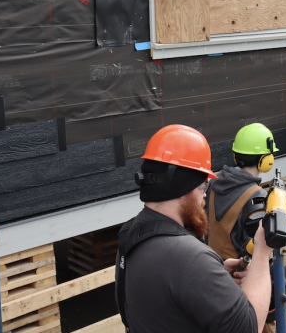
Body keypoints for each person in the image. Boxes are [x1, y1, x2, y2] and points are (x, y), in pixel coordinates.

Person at [116, 124, 272, 333]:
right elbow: (249, 328)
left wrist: (213, 277)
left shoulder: (130, 233)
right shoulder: (191, 259)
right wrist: (262, 251)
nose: (204, 195)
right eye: (203, 186)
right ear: (182, 187)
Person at [205, 124, 286, 331]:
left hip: (214, 274)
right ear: (264, 159)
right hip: (242, 285)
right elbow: (259, 249)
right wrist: (284, 289)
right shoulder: (255, 196)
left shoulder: (214, 184)